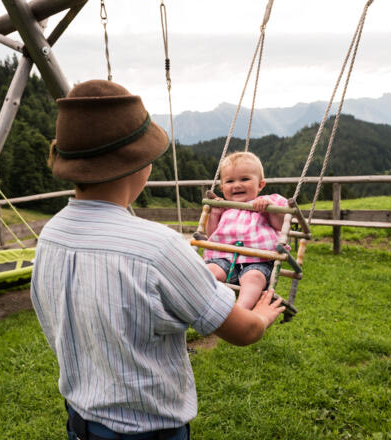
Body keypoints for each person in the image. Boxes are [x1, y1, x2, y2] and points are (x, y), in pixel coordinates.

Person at [30, 79, 285, 440]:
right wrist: (259, 315)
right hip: (149, 429)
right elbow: (242, 331)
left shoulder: (51, 235)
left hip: (79, 419)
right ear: (142, 164)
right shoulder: (158, 247)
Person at [204, 152, 287, 310]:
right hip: (223, 259)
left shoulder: (267, 202)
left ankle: (240, 312)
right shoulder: (224, 208)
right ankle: (206, 308)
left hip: (258, 261)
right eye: (230, 181)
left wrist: (269, 209)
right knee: (209, 271)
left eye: (244, 179)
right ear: (222, 188)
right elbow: (211, 235)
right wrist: (214, 214)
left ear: (260, 185)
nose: (236, 185)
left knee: (253, 278)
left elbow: (279, 226)